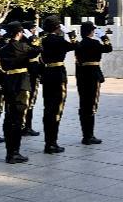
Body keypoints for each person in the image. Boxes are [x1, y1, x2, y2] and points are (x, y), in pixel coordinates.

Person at [0, 21, 42, 164]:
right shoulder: (23, 47)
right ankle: (14, 153)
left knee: (9, 117)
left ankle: (9, 152)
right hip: (22, 84)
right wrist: (34, 39)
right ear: (19, 33)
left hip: (9, 83)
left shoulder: (3, 48)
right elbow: (38, 49)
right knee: (18, 120)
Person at [40, 16, 76, 154]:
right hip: (58, 75)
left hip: (47, 74)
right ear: (57, 27)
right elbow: (75, 45)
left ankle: (48, 142)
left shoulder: (43, 40)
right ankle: (52, 143)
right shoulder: (59, 40)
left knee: (48, 108)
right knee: (56, 109)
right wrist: (71, 34)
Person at [75, 21, 113, 144]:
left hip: (82, 77)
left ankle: (85, 134)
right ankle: (89, 136)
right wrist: (104, 37)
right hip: (93, 76)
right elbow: (109, 48)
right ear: (92, 31)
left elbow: (78, 63)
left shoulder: (79, 44)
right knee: (91, 106)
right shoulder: (95, 43)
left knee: (83, 105)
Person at [22, 21, 42, 137]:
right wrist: (34, 39)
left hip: (27, 72)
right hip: (31, 73)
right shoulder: (29, 40)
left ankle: (25, 126)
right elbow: (39, 49)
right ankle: (27, 127)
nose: (35, 30)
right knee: (30, 101)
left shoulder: (23, 40)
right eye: (33, 28)